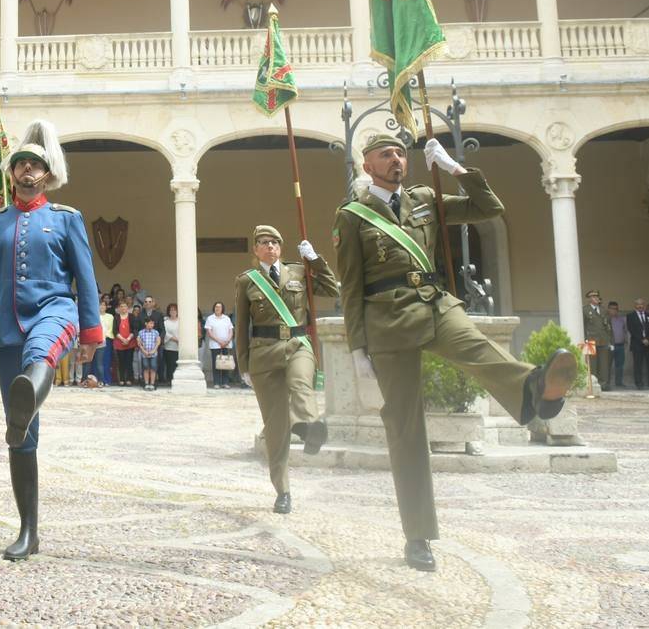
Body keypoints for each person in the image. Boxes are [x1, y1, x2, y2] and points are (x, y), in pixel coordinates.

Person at [334, 134, 575, 572]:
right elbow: (350, 288)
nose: (396, 160)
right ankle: (418, 535)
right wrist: (357, 351)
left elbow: (489, 209)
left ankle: (533, 387)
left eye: (400, 154)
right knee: (405, 430)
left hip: (432, 303)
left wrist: (455, 168)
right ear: (367, 166)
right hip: (385, 323)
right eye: (385, 155)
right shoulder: (352, 217)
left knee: (477, 346)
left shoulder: (426, 197)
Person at [0, 119, 101, 561]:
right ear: (12, 173)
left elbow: (86, 278)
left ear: (47, 173)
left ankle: (25, 401)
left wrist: (91, 332)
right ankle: (28, 532)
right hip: (6, 329)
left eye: (33, 165)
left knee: (41, 355)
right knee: (24, 441)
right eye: (19, 165)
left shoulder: (66, 219)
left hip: (55, 311)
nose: (25, 171)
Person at [233, 224, 339, 514]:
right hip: (263, 354)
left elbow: (331, 289)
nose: (270, 247)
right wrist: (243, 365)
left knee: (300, 384)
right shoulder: (247, 281)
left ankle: (308, 425)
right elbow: (242, 326)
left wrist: (315, 259)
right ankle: (283, 490)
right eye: (264, 243)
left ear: (281, 248)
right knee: (276, 427)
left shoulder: (299, 272)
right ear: (256, 250)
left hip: (297, 344)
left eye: (275, 243)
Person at [583, 290, 612, 389]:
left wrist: (610, 340)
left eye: (597, 297)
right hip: (590, 340)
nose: (596, 298)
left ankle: (604, 384)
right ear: (589, 299)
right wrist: (585, 339)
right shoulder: (585, 310)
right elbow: (583, 325)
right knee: (592, 364)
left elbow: (608, 326)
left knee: (604, 364)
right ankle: (593, 385)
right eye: (594, 297)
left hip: (603, 340)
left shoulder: (603, 310)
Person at [204, 302, 234, 388]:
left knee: (226, 363)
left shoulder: (227, 318)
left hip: (227, 344)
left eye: (219, 307)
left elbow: (231, 330)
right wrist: (219, 341)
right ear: (214, 308)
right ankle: (216, 382)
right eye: (216, 307)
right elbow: (209, 332)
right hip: (215, 345)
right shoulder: (210, 318)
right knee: (216, 363)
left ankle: (225, 382)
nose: (217, 308)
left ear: (222, 309)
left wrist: (227, 340)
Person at [628, 298, 649, 389]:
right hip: (637, 344)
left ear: (644, 305)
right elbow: (632, 330)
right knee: (638, 365)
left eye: (642, 304)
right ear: (635, 305)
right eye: (638, 304)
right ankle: (639, 384)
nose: (640, 306)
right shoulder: (630, 316)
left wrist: (648, 339)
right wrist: (642, 339)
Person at [112, 300, 137, 386]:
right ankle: (122, 379)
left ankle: (129, 379)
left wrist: (128, 339)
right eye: (121, 306)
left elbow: (134, 329)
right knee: (121, 362)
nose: (123, 308)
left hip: (130, 342)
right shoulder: (116, 317)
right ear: (119, 308)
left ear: (127, 308)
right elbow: (114, 330)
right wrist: (122, 339)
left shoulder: (131, 316)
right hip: (119, 343)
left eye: (125, 306)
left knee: (129, 362)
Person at [136, 314, 161, 391]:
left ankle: (152, 383)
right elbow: (139, 343)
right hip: (144, 353)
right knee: (146, 368)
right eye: (150, 323)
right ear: (146, 323)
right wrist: (144, 351)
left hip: (154, 353)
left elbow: (158, 342)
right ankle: (146, 383)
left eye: (152, 323)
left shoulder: (156, 332)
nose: (151, 325)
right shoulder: (141, 332)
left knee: (153, 367)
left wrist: (154, 350)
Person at [608, 300, 628, 389]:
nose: (614, 311)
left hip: (620, 345)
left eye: (616, 309)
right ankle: (606, 382)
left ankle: (619, 382)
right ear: (608, 309)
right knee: (607, 365)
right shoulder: (606, 319)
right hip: (610, 346)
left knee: (619, 365)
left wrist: (625, 340)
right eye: (612, 309)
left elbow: (625, 331)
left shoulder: (622, 319)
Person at [162, 303, 181, 386]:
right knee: (170, 365)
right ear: (168, 312)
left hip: (180, 347)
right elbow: (165, 333)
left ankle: (179, 380)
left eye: (174, 310)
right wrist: (175, 339)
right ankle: (170, 380)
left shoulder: (181, 321)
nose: (173, 311)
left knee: (178, 365)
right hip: (169, 346)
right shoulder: (166, 322)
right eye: (171, 310)